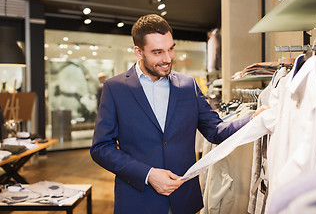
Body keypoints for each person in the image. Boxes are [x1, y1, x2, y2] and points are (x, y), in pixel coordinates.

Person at [90, 14, 267, 214]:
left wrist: (253, 120)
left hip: (183, 200)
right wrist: (148, 174)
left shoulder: (188, 85)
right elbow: (101, 148)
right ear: (138, 52)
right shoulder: (115, 88)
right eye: (157, 52)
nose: (167, 59)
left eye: (170, 49)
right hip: (137, 201)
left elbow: (215, 131)